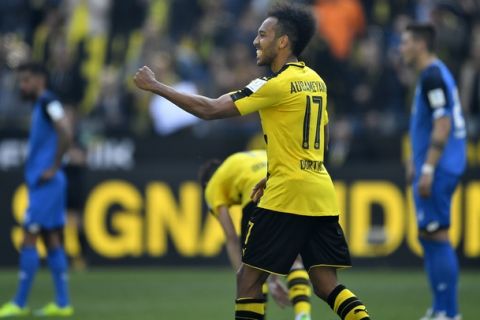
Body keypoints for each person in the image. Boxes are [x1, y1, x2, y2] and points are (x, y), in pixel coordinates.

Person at [134, 3, 370, 320]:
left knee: (248, 279)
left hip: (288, 195)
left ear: (283, 41)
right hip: (320, 192)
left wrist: (156, 86)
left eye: (263, 34)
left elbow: (211, 109)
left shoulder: (274, 84)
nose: (255, 41)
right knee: (327, 284)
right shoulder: (316, 81)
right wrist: (276, 173)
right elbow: (321, 140)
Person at [400, 24, 466, 320]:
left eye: (406, 43)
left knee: (437, 235)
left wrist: (427, 167)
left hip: (440, 167)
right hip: (437, 163)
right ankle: (439, 307)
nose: (402, 48)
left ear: (420, 44)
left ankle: (448, 312)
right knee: (429, 236)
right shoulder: (431, 75)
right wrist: (416, 159)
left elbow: (443, 123)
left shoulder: (432, 77)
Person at [200, 150, 312, 320]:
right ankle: (303, 313)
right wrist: (273, 279)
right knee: (294, 259)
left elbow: (231, 237)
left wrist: (243, 275)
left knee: (253, 266)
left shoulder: (212, 185)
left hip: (259, 191)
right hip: (295, 186)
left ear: (207, 182)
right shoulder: (246, 158)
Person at [0, 62, 74, 317]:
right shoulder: (42, 104)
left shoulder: (47, 100)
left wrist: (54, 166)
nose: (23, 85)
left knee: (28, 237)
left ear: (40, 80)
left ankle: (19, 303)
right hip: (48, 183)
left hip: (47, 183)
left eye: (26, 80)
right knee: (52, 239)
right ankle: (63, 304)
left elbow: (65, 129)